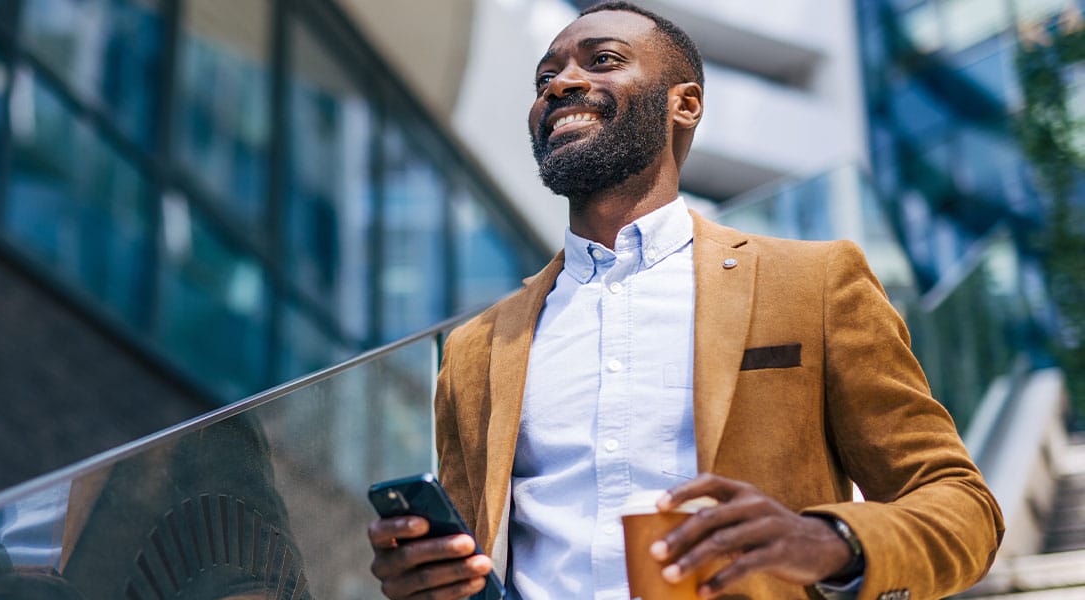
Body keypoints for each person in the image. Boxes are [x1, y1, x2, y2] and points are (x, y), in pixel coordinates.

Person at [366, 2, 1003, 599]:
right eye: (545, 77)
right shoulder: (478, 347)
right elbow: (468, 556)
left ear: (686, 104)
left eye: (603, 59)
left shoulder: (813, 283)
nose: (559, 85)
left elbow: (960, 503)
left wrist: (829, 541)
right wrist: (423, 575)